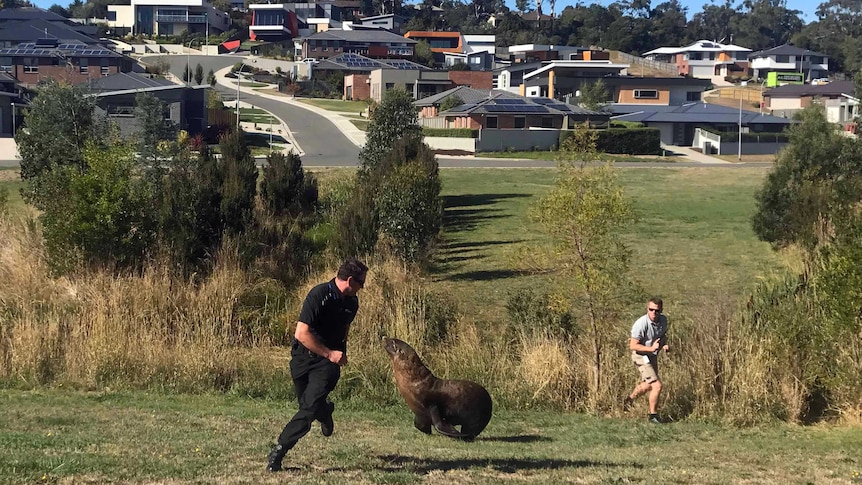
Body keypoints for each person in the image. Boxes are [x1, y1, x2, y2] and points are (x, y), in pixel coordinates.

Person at [267, 257, 368, 472]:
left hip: (327, 364)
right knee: (308, 404)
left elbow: (345, 330)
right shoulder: (319, 294)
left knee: (308, 407)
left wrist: (339, 354)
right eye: (361, 283)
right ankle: (325, 411)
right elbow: (301, 333)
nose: (362, 288)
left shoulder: (352, 303)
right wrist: (329, 353)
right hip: (303, 358)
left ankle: (279, 450)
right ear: (350, 280)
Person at [623, 297, 669, 424]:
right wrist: (650, 348)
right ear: (647, 309)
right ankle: (653, 416)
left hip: (652, 355)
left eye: (657, 310)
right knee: (657, 385)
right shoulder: (641, 324)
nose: (654, 313)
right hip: (641, 355)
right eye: (651, 309)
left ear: (661, 310)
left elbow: (662, 336)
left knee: (649, 384)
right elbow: (633, 346)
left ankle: (629, 400)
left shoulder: (663, 320)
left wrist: (664, 345)